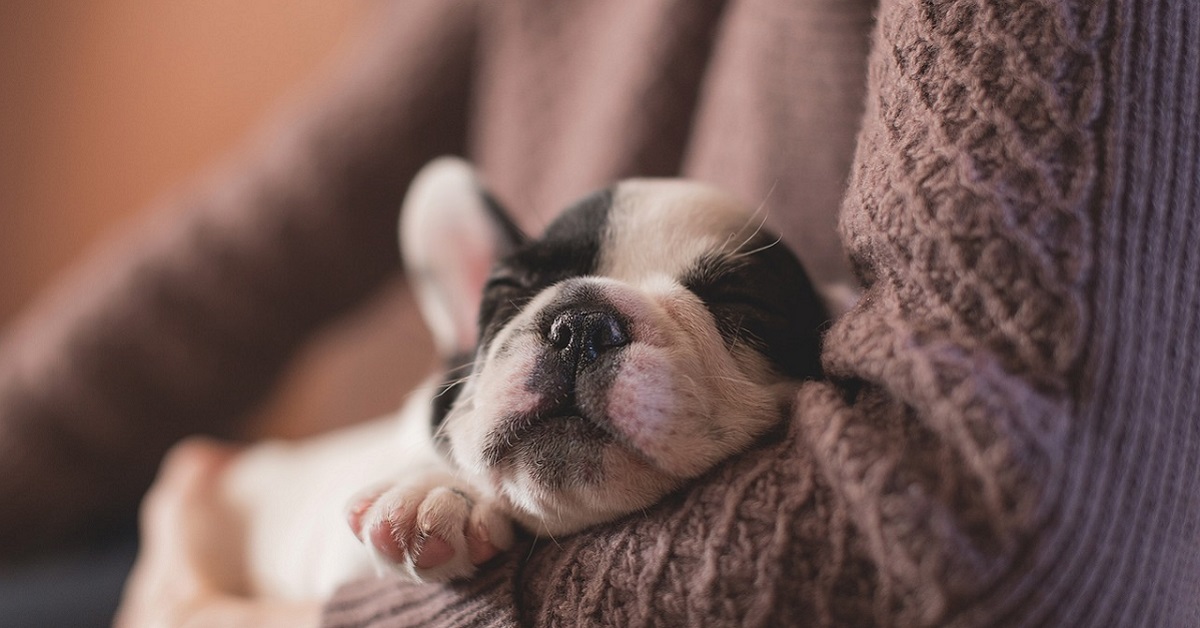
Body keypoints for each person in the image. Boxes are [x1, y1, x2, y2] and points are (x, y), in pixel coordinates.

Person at [2, 0, 1197, 626]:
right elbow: (235, 255)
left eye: (723, 306)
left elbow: (1002, 539)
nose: (583, 329)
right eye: (530, 303)